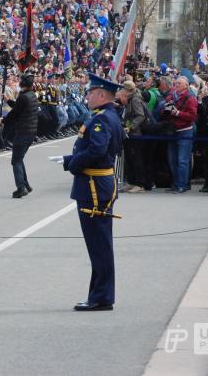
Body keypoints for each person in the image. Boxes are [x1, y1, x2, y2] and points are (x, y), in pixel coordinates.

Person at [61, 73, 124, 311]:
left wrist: (74, 163)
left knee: (99, 246)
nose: (87, 96)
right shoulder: (108, 116)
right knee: (99, 244)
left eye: (90, 92)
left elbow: (98, 151)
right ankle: (100, 294)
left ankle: (101, 297)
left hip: (94, 188)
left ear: (101, 95)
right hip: (98, 185)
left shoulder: (102, 119)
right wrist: (70, 159)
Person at [2, 73, 39, 198]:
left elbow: (14, 114)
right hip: (30, 131)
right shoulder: (31, 95)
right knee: (19, 158)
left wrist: (2, 121)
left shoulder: (24, 97)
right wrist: (8, 101)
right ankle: (26, 185)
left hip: (24, 131)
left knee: (16, 160)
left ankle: (21, 188)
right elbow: (19, 107)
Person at [163, 76, 198, 193]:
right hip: (173, 130)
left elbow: (193, 116)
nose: (176, 85)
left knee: (182, 160)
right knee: (172, 159)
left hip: (185, 130)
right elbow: (165, 113)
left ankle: (182, 185)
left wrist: (177, 113)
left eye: (179, 83)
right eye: (176, 83)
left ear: (186, 86)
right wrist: (166, 110)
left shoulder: (191, 99)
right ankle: (177, 183)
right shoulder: (171, 97)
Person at [117, 80, 149, 193]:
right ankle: (131, 182)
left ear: (127, 89)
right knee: (129, 159)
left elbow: (140, 116)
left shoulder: (135, 99)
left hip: (136, 134)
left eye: (123, 88)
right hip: (129, 133)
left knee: (137, 159)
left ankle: (139, 184)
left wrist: (130, 127)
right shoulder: (129, 99)